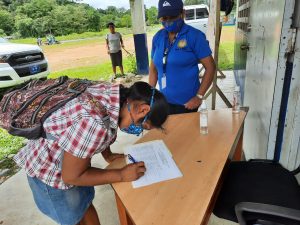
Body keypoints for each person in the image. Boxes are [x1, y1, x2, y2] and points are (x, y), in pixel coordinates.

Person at [13, 81, 169, 225]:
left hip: (75, 162)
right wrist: (121, 175)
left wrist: (107, 154)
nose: (138, 130)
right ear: (143, 109)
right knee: (74, 217)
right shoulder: (93, 123)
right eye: (143, 126)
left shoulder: (116, 95)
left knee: (84, 203)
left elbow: (108, 122)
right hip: (51, 172)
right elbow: (71, 176)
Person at [149, 0, 216, 115]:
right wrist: (150, 96)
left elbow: (210, 67)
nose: (168, 21)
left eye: (173, 17)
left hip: (187, 105)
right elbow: (153, 69)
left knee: (185, 132)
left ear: (183, 13)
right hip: (163, 102)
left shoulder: (195, 36)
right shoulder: (158, 38)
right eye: (164, 18)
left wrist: (199, 96)